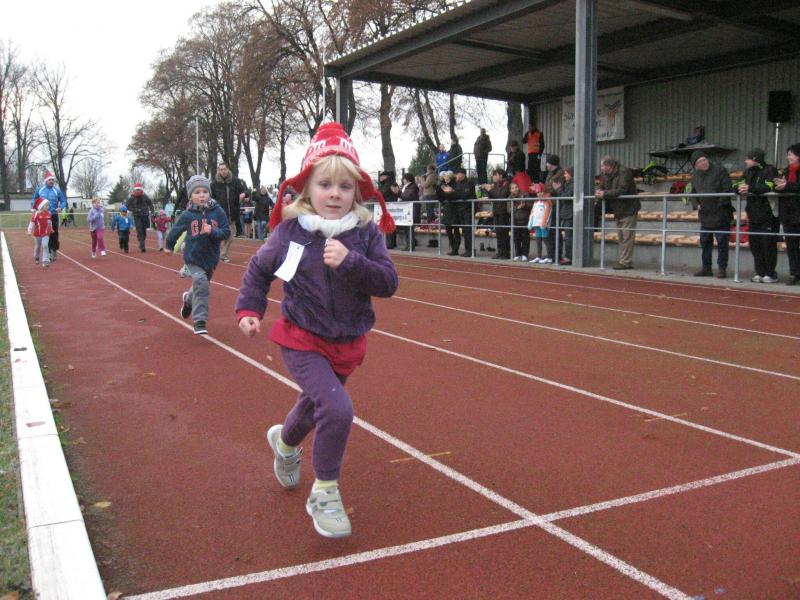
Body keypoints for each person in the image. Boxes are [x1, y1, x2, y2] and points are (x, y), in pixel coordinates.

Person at [235, 122, 397, 539]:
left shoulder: (365, 234)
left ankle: (285, 444)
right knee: (337, 409)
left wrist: (352, 262)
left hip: (347, 341)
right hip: (301, 336)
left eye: (345, 186)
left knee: (313, 406)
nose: (335, 194)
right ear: (307, 189)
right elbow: (259, 270)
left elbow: (388, 283)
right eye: (325, 185)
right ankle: (325, 492)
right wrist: (249, 309)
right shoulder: (291, 232)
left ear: (357, 192)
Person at [166, 175, 231, 335]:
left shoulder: (218, 211)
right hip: (193, 258)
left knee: (201, 284)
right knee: (202, 283)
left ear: (209, 193)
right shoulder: (188, 215)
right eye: (197, 192)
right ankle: (200, 320)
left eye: (204, 192)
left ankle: (188, 300)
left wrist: (213, 231)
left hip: (211, 259)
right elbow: (176, 230)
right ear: (191, 196)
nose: (202, 195)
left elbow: (226, 232)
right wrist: (169, 245)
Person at [689, 150, 734, 278]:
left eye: (704, 160)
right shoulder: (695, 176)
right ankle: (706, 268)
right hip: (705, 215)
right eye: (699, 162)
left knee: (722, 243)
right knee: (705, 243)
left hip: (721, 214)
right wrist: (696, 204)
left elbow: (727, 189)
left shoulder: (720, 170)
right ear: (696, 165)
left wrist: (719, 204)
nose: (703, 163)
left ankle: (722, 268)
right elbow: (692, 193)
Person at [738, 148, 779, 283]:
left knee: (768, 245)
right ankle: (759, 272)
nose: (745, 161)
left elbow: (769, 186)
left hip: (768, 215)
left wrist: (750, 188)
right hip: (752, 214)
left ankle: (770, 273)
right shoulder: (747, 172)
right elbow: (736, 184)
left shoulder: (770, 170)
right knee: (755, 245)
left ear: (755, 159)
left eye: (748, 159)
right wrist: (739, 189)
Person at [596, 156, 639, 270]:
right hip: (618, 209)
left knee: (627, 237)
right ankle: (624, 260)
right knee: (621, 237)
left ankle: (625, 262)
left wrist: (604, 194)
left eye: (602, 166)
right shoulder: (606, 175)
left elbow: (622, 190)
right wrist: (599, 191)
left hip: (628, 208)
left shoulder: (624, 172)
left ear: (608, 166)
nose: (601, 168)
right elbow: (602, 186)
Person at [211, 162, 248, 261]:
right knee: (218, 235)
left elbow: (246, 190)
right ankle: (214, 252)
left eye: (224, 169)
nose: (223, 171)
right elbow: (210, 197)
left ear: (228, 170)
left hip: (232, 213)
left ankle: (223, 255)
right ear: (218, 171)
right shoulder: (214, 184)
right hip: (219, 214)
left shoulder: (235, 181)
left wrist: (243, 194)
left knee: (230, 235)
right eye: (221, 169)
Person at [774, 143, 800, 285]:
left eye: (791, 154)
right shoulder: (785, 171)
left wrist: (787, 186)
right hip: (789, 214)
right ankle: (794, 273)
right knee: (791, 245)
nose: (788, 157)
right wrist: (778, 186)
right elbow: (777, 187)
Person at [31, 171, 67, 262]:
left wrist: (60, 207)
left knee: (54, 233)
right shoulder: (40, 189)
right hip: (42, 215)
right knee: (43, 233)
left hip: (53, 215)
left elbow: (64, 201)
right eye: (49, 180)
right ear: (46, 181)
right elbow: (34, 199)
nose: (51, 181)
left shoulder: (57, 191)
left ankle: (53, 250)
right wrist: (34, 208)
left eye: (52, 180)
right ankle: (46, 252)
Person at [482, 167, 511, 259]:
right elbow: (492, 197)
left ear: (501, 175)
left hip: (504, 212)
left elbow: (501, 195)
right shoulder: (496, 185)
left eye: (495, 175)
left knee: (504, 232)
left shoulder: (507, 184)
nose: (493, 176)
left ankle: (506, 253)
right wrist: (487, 189)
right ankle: (500, 251)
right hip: (497, 211)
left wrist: (490, 189)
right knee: (498, 232)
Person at [510, 171, 533, 261]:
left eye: (516, 187)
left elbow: (530, 204)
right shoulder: (510, 198)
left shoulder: (525, 194)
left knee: (525, 238)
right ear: (510, 190)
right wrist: (517, 208)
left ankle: (525, 254)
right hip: (515, 220)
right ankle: (517, 254)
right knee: (516, 238)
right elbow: (508, 210)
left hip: (524, 219)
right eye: (513, 188)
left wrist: (525, 205)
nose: (515, 189)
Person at [453, 168, 475, 257]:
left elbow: (465, 195)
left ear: (462, 174)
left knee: (468, 230)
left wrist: (455, 193)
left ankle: (470, 250)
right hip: (461, 209)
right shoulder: (457, 183)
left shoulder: (469, 182)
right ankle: (467, 250)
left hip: (468, 209)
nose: (456, 176)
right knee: (465, 231)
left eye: (457, 174)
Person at [528, 183, 553, 263]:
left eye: (541, 192)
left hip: (543, 225)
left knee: (546, 240)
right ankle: (538, 256)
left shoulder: (547, 202)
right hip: (536, 224)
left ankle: (549, 257)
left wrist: (544, 223)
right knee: (538, 241)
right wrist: (530, 223)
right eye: (538, 192)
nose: (539, 194)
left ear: (544, 192)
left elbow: (548, 213)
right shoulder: (536, 202)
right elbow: (532, 213)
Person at [437, 170, 460, 255]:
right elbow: (441, 198)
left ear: (450, 177)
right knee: (448, 230)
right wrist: (440, 190)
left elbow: (456, 196)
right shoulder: (444, 185)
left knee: (456, 230)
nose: (445, 178)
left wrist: (450, 192)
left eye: (446, 177)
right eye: (444, 177)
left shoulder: (455, 185)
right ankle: (453, 247)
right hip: (447, 210)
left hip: (454, 210)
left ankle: (456, 249)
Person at [126, 182, 154, 252]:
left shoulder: (145, 196)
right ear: (135, 190)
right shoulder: (132, 197)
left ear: (141, 189)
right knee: (139, 230)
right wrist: (134, 210)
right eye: (137, 189)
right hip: (137, 216)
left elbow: (150, 203)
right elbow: (127, 206)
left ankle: (142, 242)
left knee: (144, 230)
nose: (138, 191)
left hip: (145, 215)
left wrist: (152, 211)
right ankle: (142, 244)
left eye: (139, 189)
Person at [29, 197, 54, 268]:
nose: (47, 207)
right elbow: (32, 222)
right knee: (38, 246)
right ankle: (37, 256)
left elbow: (50, 222)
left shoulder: (49, 213)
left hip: (46, 233)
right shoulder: (36, 214)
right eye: (46, 205)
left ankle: (45, 261)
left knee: (45, 245)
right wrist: (29, 230)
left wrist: (51, 228)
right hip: (38, 233)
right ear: (41, 206)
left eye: (48, 205)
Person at [557, 168, 574, 265]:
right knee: (567, 236)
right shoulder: (566, 184)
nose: (565, 175)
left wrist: (558, 189)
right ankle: (567, 256)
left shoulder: (573, 185)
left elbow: (566, 197)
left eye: (566, 174)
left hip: (570, 214)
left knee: (569, 237)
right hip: (566, 213)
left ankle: (569, 257)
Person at [399, 172, 420, 250]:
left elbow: (407, 197)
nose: (403, 180)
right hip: (406, 210)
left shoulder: (413, 187)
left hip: (411, 210)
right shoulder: (406, 187)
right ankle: (409, 245)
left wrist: (398, 193)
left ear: (407, 179)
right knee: (407, 228)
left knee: (409, 228)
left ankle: (410, 245)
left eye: (404, 178)